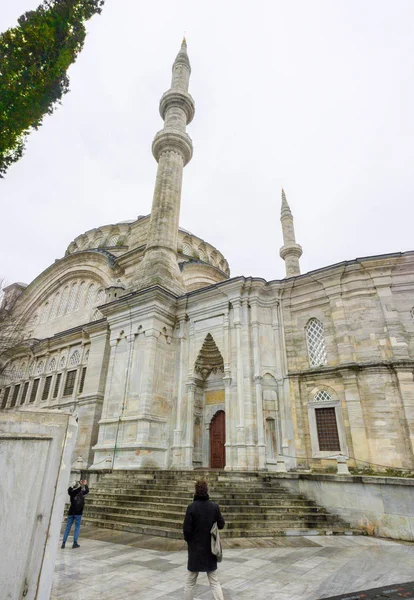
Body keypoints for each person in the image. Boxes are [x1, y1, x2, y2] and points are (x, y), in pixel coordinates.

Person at [183, 479, 225, 600]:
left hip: (195, 548)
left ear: (196, 491)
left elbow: (186, 530)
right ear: (206, 491)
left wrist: (190, 542)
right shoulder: (214, 507)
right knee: (214, 581)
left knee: (190, 581)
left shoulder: (191, 507)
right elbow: (221, 524)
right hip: (209, 548)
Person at [61, 479, 89, 549]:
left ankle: (63, 543)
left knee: (68, 527)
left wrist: (72, 485)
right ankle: (75, 543)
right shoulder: (81, 490)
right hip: (78, 512)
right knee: (77, 527)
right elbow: (87, 491)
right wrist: (85, 484)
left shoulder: (71, 492)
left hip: (71, 511)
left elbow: (69, 490)